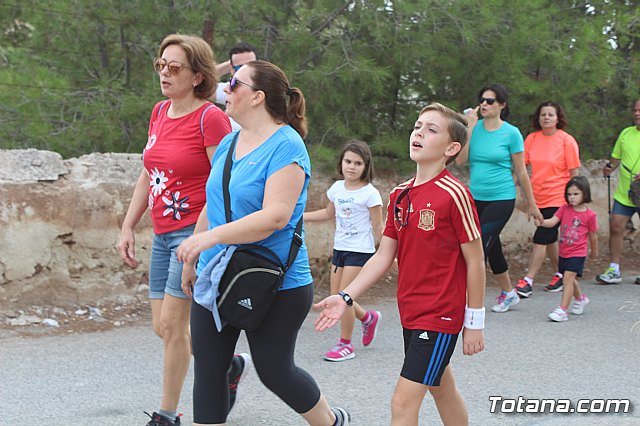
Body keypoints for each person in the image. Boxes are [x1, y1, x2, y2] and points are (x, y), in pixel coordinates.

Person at [176, 60, 350, 425]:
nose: (226, 88)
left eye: (234, 83)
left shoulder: (287, 146)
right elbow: (214, 200)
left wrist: (211, 238)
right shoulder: (229, 141)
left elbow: (276, 217)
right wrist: (195, 255)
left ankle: (330, 422)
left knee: (275, 371)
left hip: (276, 280)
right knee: (208, 368)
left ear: (257, 97)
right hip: (218, 273)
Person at [315, 103, 485, 425]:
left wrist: (474, 321)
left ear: (451, 148)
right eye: (418, 126)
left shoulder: (455, 194)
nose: (419, 133)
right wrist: (346, 296)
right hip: (411, 310)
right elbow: (383, 256)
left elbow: (475, 261)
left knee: (402, 403)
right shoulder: (398, 194)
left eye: (431, 129)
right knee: (441, 388)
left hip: (440, 314)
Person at [116, 34, 249, 426]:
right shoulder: (159, 112)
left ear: (197, 76)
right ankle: (227, 368)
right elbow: (148, 174)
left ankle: (166, 414)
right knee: (162, 327)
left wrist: (200, 240)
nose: (164, 73)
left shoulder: (211, 118)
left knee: (174, 326)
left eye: (174, 68)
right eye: (161, 65)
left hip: (194, 233)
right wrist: (128, 225)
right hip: (162, 234)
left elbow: (224, 182)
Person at [456, 84, 542, 314]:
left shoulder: (511, 133)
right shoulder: (474, 128)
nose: (484, 104)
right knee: (491, 246)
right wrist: (470, 127)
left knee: (479, 247)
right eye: (482, 99)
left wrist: (532, 204)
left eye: (490, 101)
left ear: (502, 105)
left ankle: (470, 305)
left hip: (502, 198)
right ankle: (509, 293)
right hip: (475, 198)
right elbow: (459, 161)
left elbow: (522, 171)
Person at [304, 140, 384, 362]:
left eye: (358, 163)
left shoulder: (370, 194)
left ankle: (345, 345)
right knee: (338, 296)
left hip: (360, 251)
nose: (352, 166)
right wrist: (300, 217)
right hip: (340, 249)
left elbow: (379, 227)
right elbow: (329, 214)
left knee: (344, 299)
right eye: (348, 161)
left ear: (366, 166)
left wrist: (388, 253)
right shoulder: (337, 188)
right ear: (341, 163)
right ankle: (368, 318)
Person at [517, 102, 581, 296]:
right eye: (543, 114)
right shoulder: (531, 139)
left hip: (558, 197)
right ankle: (560, 274)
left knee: (541, 237)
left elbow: (574, 174)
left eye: (550, 114)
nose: (546, 117)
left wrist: (576, 199)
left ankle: (528, 280)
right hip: (538, 197)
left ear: (558, 118)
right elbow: (521, 167)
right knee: (550, 238)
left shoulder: (566, 140)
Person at [535, 176, 598, 322]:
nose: (572, 197)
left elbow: (593, 236)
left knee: (568, 278)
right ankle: (580, 298)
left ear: (585, 194)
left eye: (576, 194)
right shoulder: (564, 209)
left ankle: (562, 310)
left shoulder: (590, 215)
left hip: (578, 252)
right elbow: (553, 222)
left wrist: (594, 252)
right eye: (569, 194)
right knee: (568, 278)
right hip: (564, 251)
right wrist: (542, 222)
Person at [597, 99, 640, 285]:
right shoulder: (626, 133)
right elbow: (615, 158)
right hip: (625, 192)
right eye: (636, 110)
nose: (637, 113)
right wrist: (609, 168)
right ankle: (614, 269)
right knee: (615, 226)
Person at [212, 42, 259, 131]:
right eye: (241, 67)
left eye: (251, 65)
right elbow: (197, 83)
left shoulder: (271, 88)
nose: (246, 71)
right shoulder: (229, 89)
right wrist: (231, 65)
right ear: (232, 70)